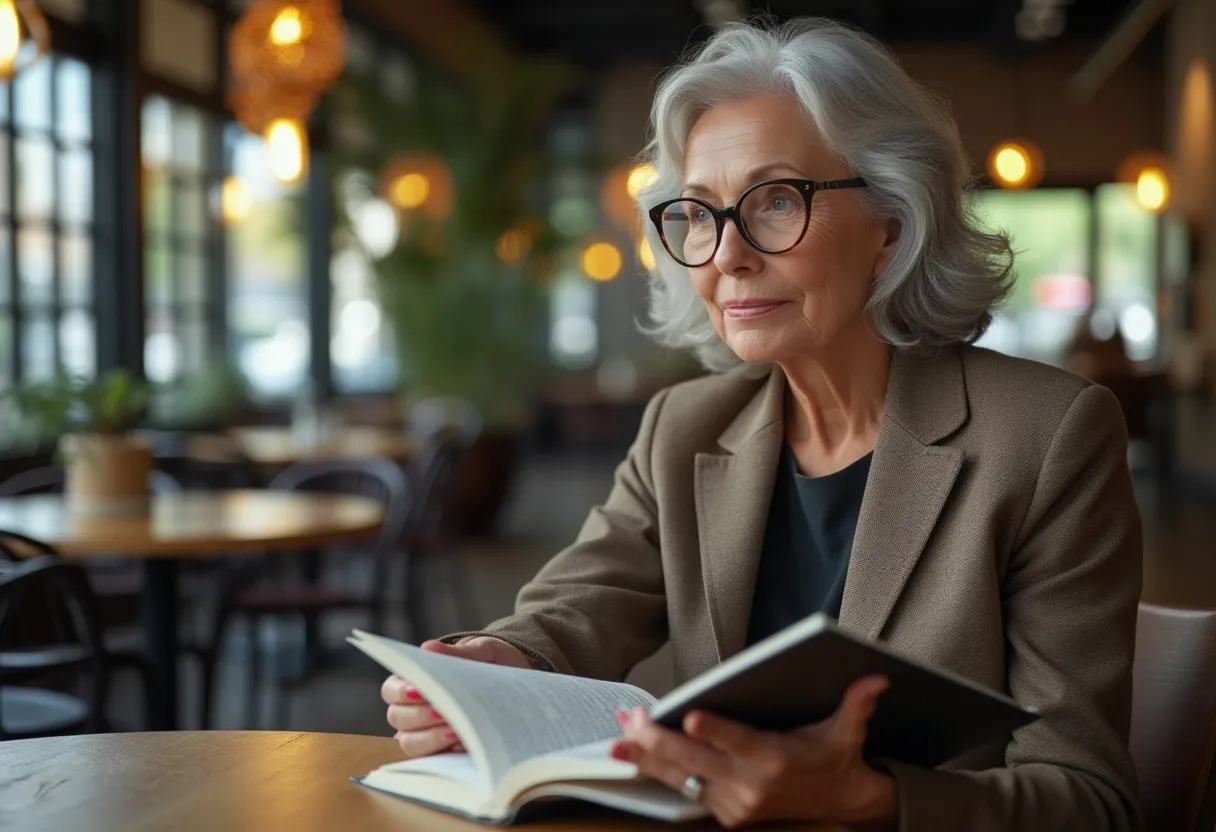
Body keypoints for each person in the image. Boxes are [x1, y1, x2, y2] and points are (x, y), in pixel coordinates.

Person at [382, 18, 1141, 831]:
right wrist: (500, 666)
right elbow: (577, 604)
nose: (726, 256)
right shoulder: (685, 426)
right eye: (700, 215)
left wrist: (869, 801)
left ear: (891, 223)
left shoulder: (1048, 435)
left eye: (776, 200)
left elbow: (1089, 801)